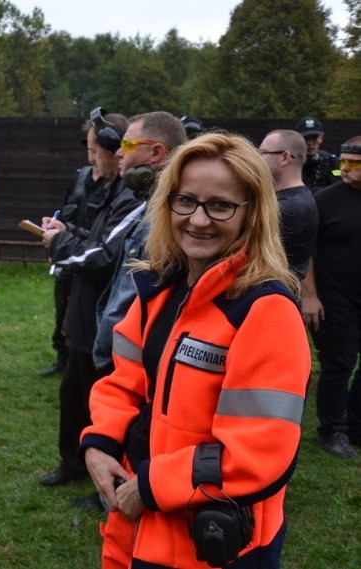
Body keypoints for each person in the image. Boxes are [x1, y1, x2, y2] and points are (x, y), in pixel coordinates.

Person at [80, 132, 310, 568]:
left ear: (252, 215)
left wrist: (149, 486)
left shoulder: (265, 311)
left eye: (220, 205)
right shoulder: (159, 291)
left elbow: (257, 453)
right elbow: (121, 384)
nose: (198, 220)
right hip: (136, 523)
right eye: (185, 200)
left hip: (211, 541)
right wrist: (99, 445)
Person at [78, 111, 188, 512]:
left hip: (141, 360)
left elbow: (139, 299)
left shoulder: (166, 216)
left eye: (126, 145)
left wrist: (109, 347)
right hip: (130, 356)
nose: (118, 154)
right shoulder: (150, 207)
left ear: (157, 153)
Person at [38, 108, 140, 486]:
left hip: (104, 314)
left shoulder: (129, 194)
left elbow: (103, 256)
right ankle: (74, 464)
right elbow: (96, 237)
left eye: (96, 149)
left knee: (101, 400)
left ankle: (105, 478)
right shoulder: (107, 185)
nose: (90, 156)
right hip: (86, 308)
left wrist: (60, 242)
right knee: (74, 394)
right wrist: (67, 230)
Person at [40, 120, 115, 377]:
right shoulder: (79, 177)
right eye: (88, 147)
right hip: (69, 255)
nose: (90, 154)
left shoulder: (114, 183)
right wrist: (55, 223)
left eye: (95, 148)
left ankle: (80, 358)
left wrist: (64, 237)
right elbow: (65, 210)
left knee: (85, 312)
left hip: (86, 253)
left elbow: (103, 241)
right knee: (62, 305)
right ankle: (62, 357)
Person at [301, 136, 361, 458]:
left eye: (354, 163)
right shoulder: (324, 200)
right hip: (334, 295)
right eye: (342, 161)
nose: (345, 168)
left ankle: (356, 425)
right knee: (340, 362)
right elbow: (307, 251)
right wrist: (310, 296)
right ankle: (331, 429)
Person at [258, 129, 318, 280]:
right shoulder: (299, 199)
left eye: (263, 153)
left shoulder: (290, 208)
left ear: (285, 157)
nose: (257, 160)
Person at [295, 116, 340, 190]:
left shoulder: (330, 161)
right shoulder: (289, 161)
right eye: (306, 138)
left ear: (321, 138)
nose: (310, 143)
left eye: (314, 138)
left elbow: (338, 188)